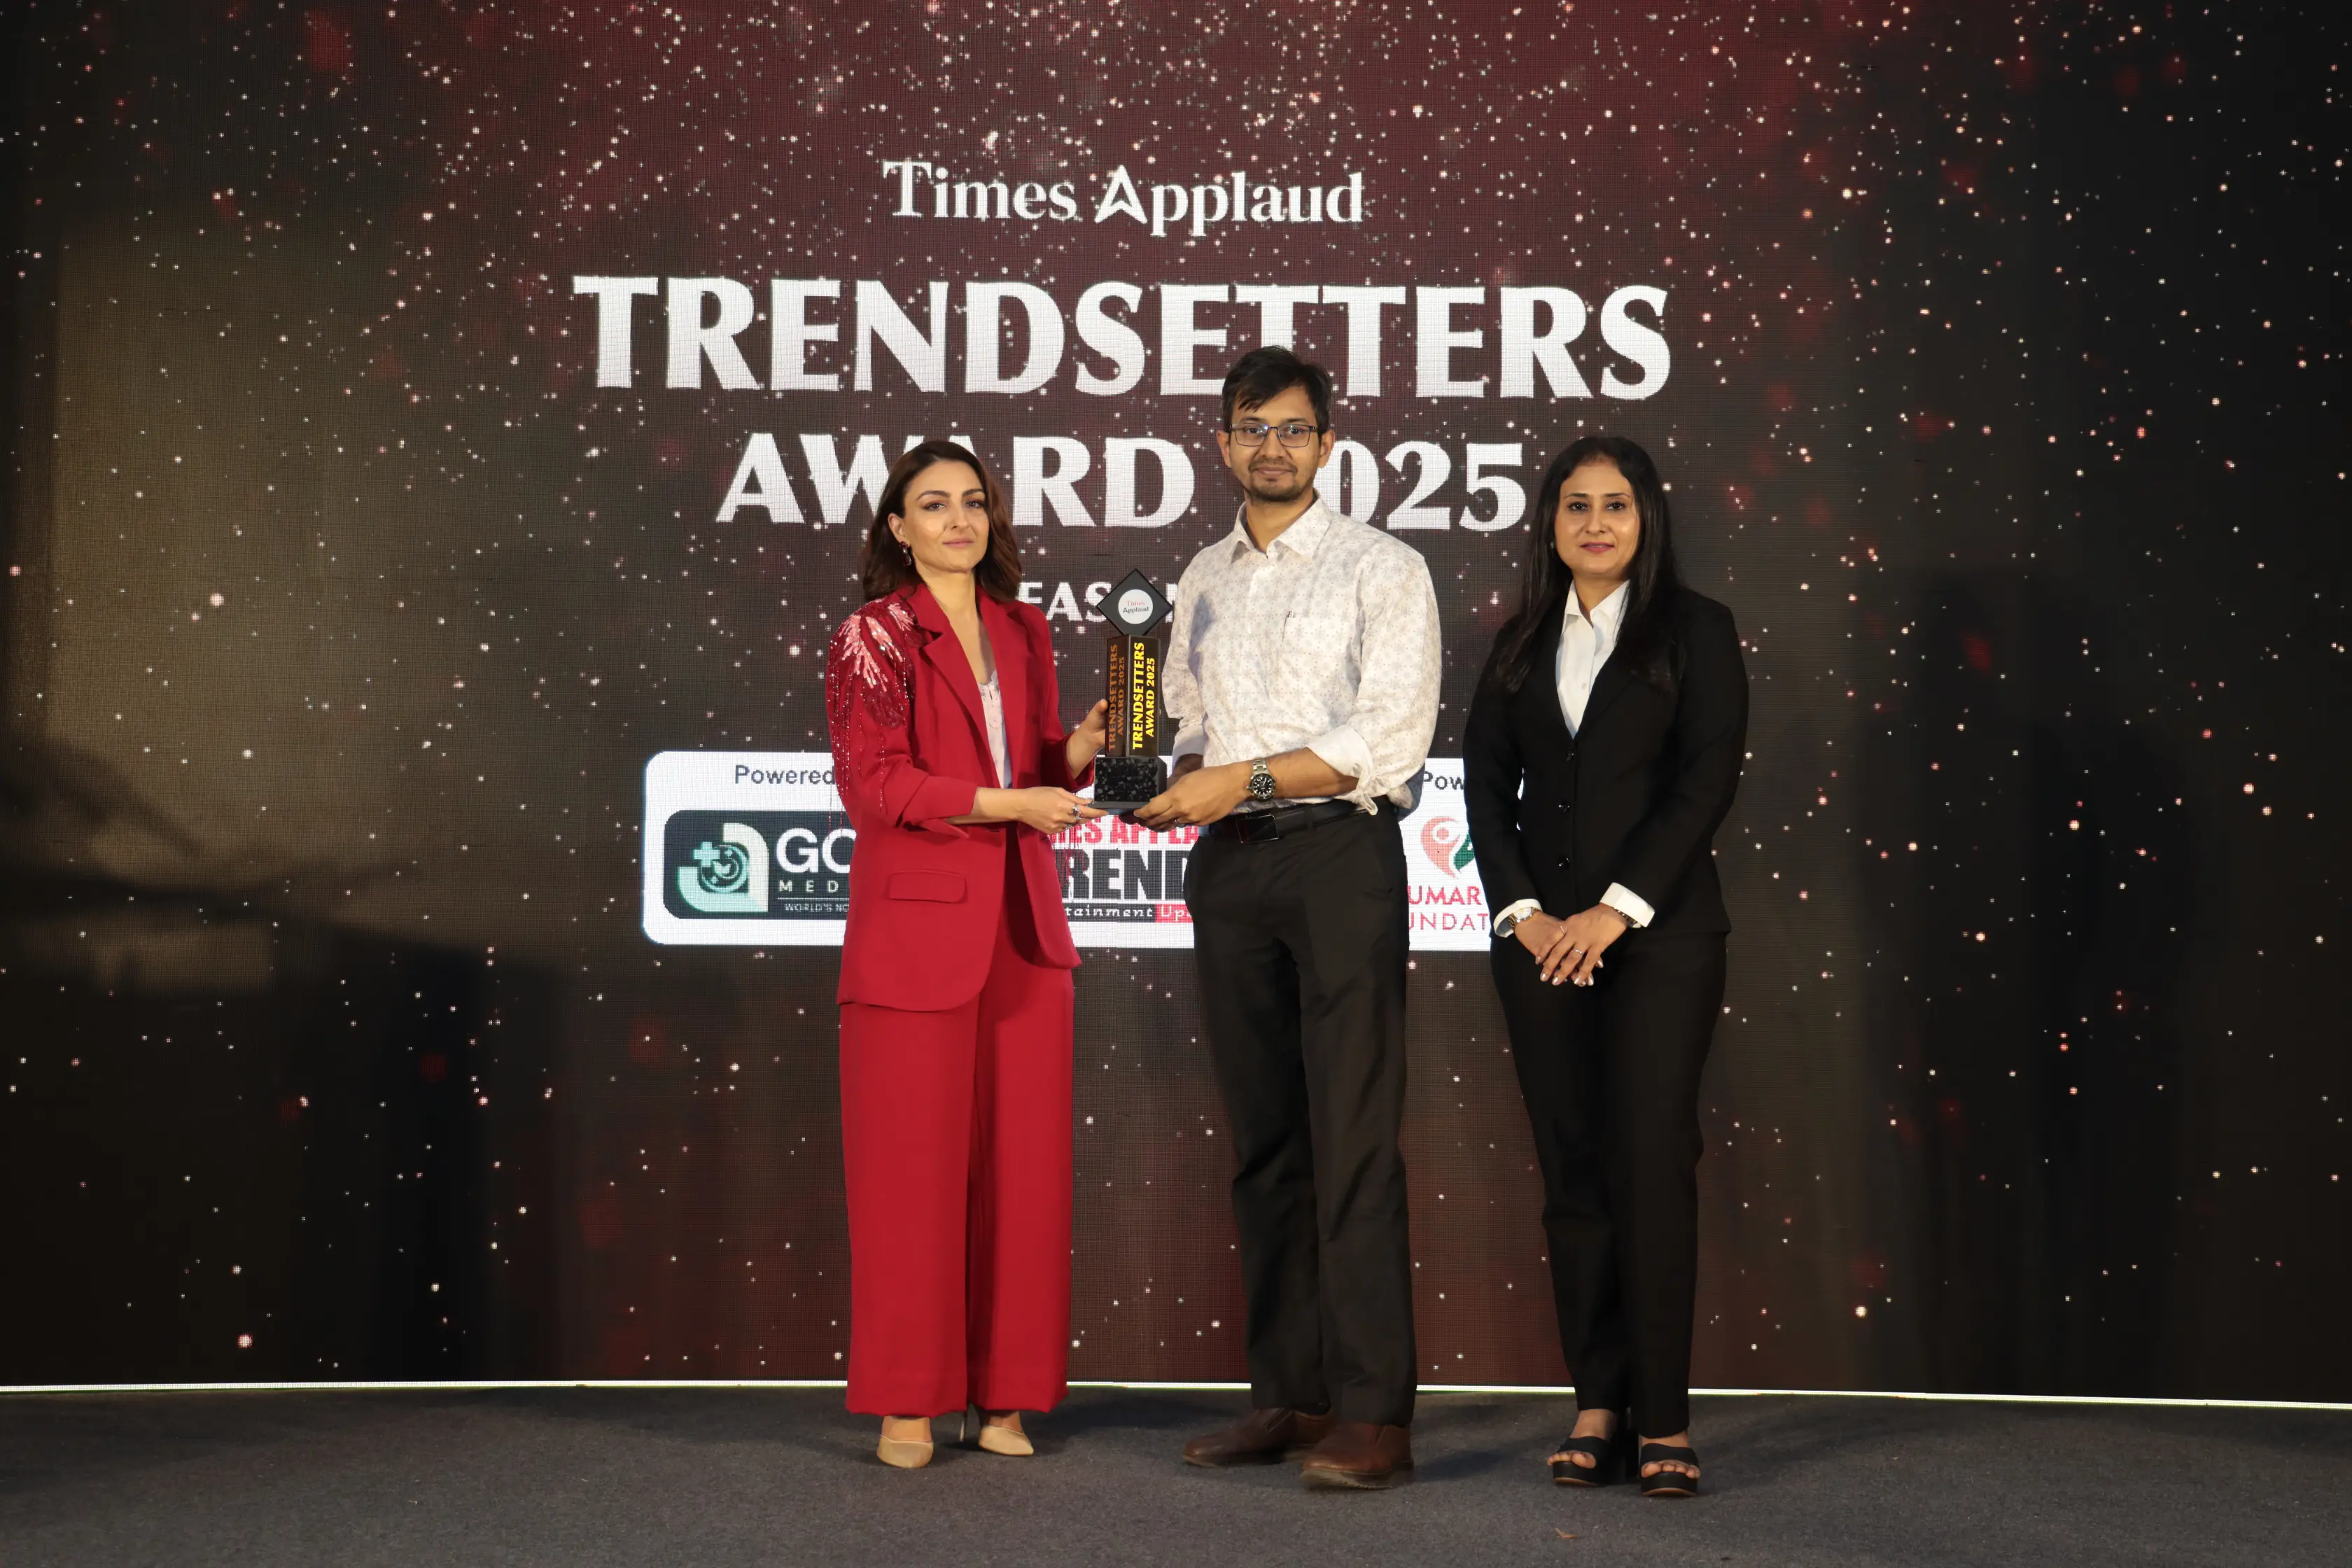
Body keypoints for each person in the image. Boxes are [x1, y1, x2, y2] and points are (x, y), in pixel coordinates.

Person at [1135, 346, 1441, 1490]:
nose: (1273, 447)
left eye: (1295, 429)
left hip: (1336, 860)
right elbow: (1180, 723)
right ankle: (1291, 1393)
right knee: (1266, 1145)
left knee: (1352, 1138)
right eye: (1253, 428)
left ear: (1328, 444)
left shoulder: (1383, 567)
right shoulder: (1199, 574)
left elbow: (1388, 739)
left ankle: (1374, 1414)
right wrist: (1122, 750)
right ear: (1222, 442)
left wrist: (1244, 778)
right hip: (1230, 870)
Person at [1462, 435, 1748, 1499]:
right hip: (1542, 946)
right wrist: (1525, 914)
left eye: (1615, 505)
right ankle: (1597, 1403)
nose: (1595, 523)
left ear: (1646, 518)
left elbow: (1706, 780)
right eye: (1576, 505)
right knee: (1573, 1171)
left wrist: (1614, 912)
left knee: (1651, 1165)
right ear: (1549, 524)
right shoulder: (1518, 641)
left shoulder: (1697, 629)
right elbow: (1483, 784)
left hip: (1661, 940)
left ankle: (1664, 1419)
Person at [824, 439, 1109, 1469]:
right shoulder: (872, 634)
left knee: (1024, 1182)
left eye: (975, 502)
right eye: (934, 504)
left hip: (1024, 934)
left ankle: (1006, 1397)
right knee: (910, 1182)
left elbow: (1035, 767)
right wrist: (1013, 802)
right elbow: (877, 785)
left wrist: (1082, 748)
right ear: (897, 528)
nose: (959, 520)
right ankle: (909, 1403)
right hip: (913, 939)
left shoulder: (1022, 628)